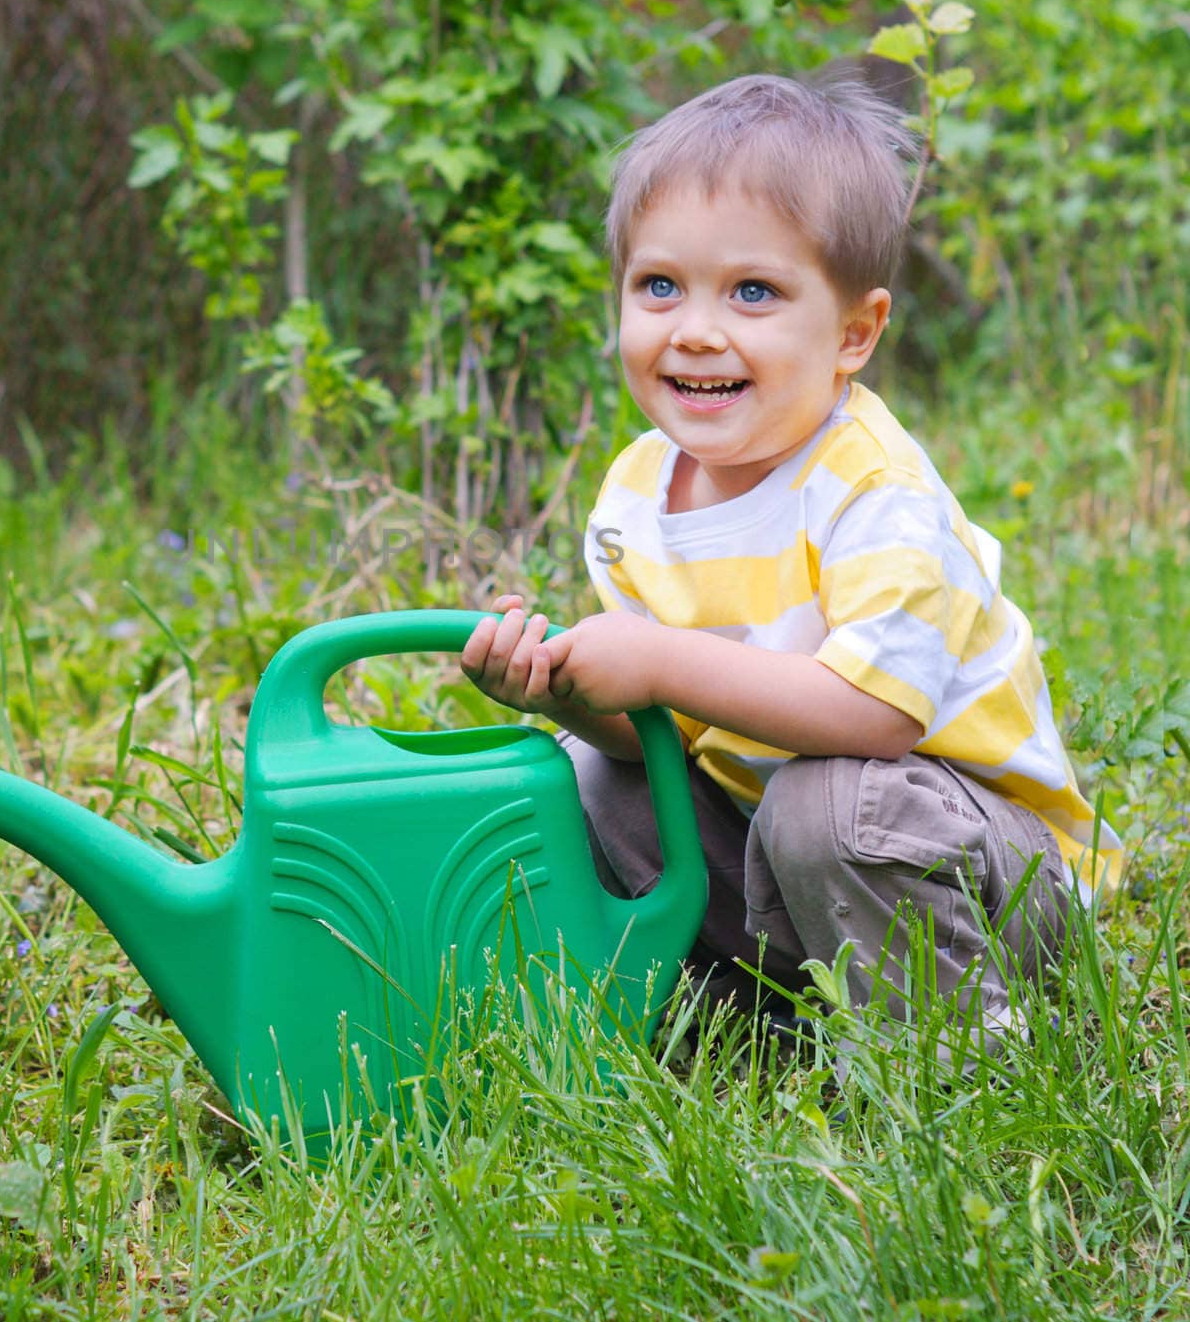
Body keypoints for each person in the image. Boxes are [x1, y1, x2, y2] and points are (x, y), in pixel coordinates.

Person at [460, 73, 1121, 1039]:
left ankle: (948, 1055)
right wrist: (568, 694)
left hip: (989, 873)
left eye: (753, 291)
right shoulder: (638, 492)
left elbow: (877, 717)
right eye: (659, 285)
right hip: (796, 851)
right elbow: (667, 735)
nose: (694, 328)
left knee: (827, 802)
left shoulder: (871, 490)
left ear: (854, 332)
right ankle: (763, 1011)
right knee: (594, 775)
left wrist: (656, 660)